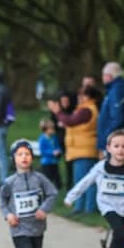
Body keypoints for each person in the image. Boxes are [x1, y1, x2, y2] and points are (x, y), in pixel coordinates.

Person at [0, 139, 58, 248]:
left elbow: (52, 193)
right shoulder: (9, 182)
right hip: (18, 228)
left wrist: (44, 209)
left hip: (37, 227)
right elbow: (2, 201)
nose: (24, 157)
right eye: (19, 154)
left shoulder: (39, 178)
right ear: (14, 158)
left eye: (27, 154)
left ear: (32, 157)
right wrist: (8, 215)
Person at [47, 85, 101, 213]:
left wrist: (58, 112)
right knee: (80, 180)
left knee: (86, 181)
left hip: (85, 150)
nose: (79, 97)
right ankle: (80, 207)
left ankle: (89, 208)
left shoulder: (86, 110)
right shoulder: (84, 108)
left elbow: (70, 121)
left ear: (88, 97)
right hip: (80, 150)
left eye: (82, 94)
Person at [97, 62, 124, 153]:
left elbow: (118, 118)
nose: (102, 77)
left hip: (113, 141)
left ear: (110, 75)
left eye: (104, 74)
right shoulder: (114, 89)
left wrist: (106, 136)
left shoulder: (116, 90)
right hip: (114, 140)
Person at [37, 118, 62, 189]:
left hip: (54, 161)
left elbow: (57, 146)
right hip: (46, 162)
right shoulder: (42, 139)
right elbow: (43, 151)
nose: (53, 131)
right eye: (51, 129)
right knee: (48, 177)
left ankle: (58, 188)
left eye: (53, 129)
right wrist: (52, 153)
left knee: (56, 176)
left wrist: (59, 151)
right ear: (45, 129)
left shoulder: (54, 138)